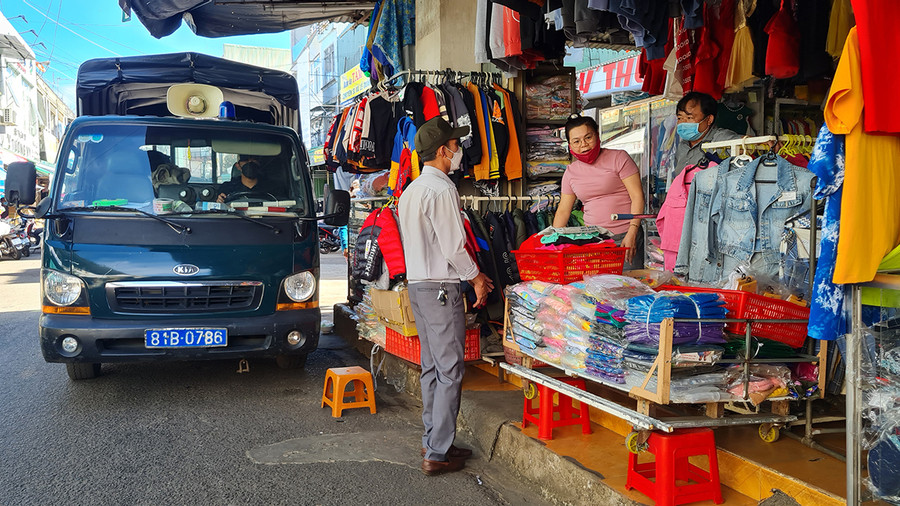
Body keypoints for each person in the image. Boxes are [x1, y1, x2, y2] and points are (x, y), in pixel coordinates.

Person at [397, 117, 494, 477]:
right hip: (441, 287)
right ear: (442, 151)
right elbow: (454, 246)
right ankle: (437, 453)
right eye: (456, 145)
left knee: (432, 368)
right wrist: (477, 278)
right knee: (450, 370)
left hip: (419, 286)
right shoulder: (441, 189)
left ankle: (434, 440)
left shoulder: (410, 191)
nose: (459, 151)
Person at [552, 114, 646, 268]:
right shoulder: (570, 172)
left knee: (630, 288)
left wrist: (632, 232)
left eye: (588, 137)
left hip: (624, 237)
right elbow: (563, 210)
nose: (584, 145)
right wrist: (554, 241)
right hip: (593, 241)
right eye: (576, 141)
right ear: (569, 145)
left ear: (597, 134)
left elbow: (637, 196)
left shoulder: (619, 158)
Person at [673, 91, 741, 177]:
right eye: (679, 118)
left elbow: (747, 146)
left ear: (709, 119)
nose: (682, 122)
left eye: (689, 118)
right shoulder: (682, 146)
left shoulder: (722, 139)